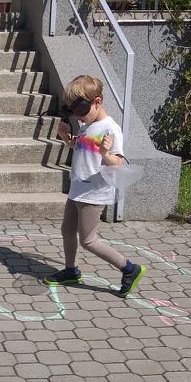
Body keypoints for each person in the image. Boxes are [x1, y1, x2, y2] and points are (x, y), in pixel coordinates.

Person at [41, 75, 147, 298]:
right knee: (67, 230)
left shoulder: (110, 129)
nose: (77, 116)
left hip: (94, 193)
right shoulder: (86, 124)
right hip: (78, 188)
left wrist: (106, 153)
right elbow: (81, 148)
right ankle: (71, 270)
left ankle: (130, 269)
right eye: (73, 112)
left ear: (97, 102)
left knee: (88, 240)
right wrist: (67, 139)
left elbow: (118, 163)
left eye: (81, 110)